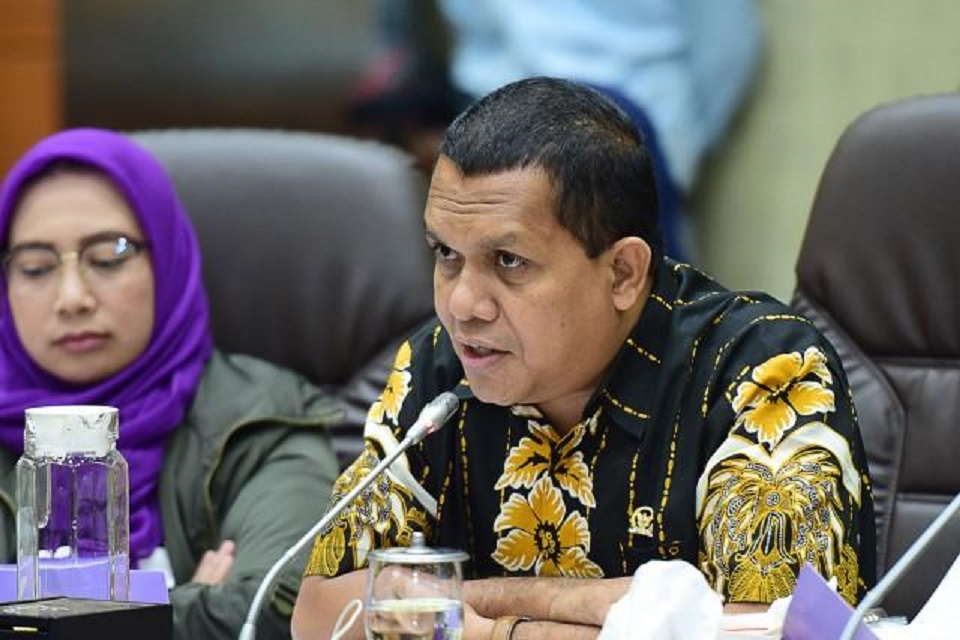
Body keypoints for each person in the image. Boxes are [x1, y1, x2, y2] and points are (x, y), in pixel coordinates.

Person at [292, 77, 876, 639]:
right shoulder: (440, 369)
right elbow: (318, 616)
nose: (463, 305)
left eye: (509, 261)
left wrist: (456, 612)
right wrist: (569, 613)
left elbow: (766, 634)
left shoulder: (764, 371)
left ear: (622, 272)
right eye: (446, 254)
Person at [0, 128, 342, 639]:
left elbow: (280, 609)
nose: (72, 298)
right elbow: (225, 618)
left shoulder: (263, 420)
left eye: (108, 256)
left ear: (167, 259)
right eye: (35, 267)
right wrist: (179, 602)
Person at [351, 0, 763, 262]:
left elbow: (727, 46)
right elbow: (477, 35)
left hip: (626, 119)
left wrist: (673, 145)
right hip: (496, 120)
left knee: (639, 329)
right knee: (496, 307)